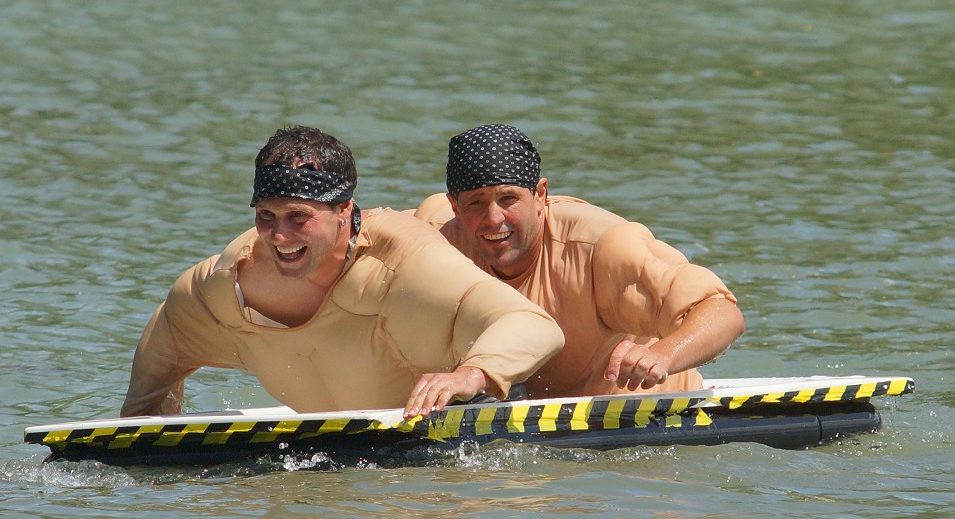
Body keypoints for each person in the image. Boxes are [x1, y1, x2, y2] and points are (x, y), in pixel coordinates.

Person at [121, 125, 564, 419]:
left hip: (471, 421)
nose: (279, 236)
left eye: (298, 217)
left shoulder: (408, 264)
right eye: (267, 216)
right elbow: (162, 357)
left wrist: (469, 376)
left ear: (344, 210)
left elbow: (535, 325)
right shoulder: (226, 286)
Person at [414, 124, 745, 399]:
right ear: (454, 207)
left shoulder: (604, 247)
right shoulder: (435, 237)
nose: (493, 219)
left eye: (508, 198)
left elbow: (722, 313)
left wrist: (662, 356)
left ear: (541, 195)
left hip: (641, 414)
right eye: (475, 203)